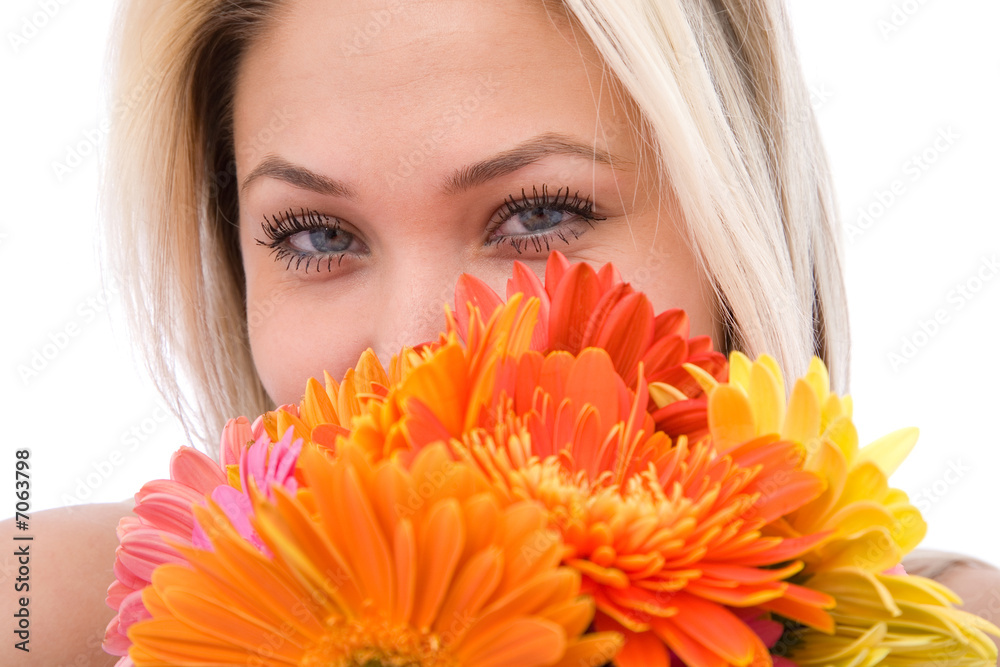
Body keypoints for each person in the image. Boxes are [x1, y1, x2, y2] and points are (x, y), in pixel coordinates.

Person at [3, 0, 998, 664]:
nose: (412, 351)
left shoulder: (948, 634)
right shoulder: (59, 606)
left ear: (734, 228)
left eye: (536, 215)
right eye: (315, 234)